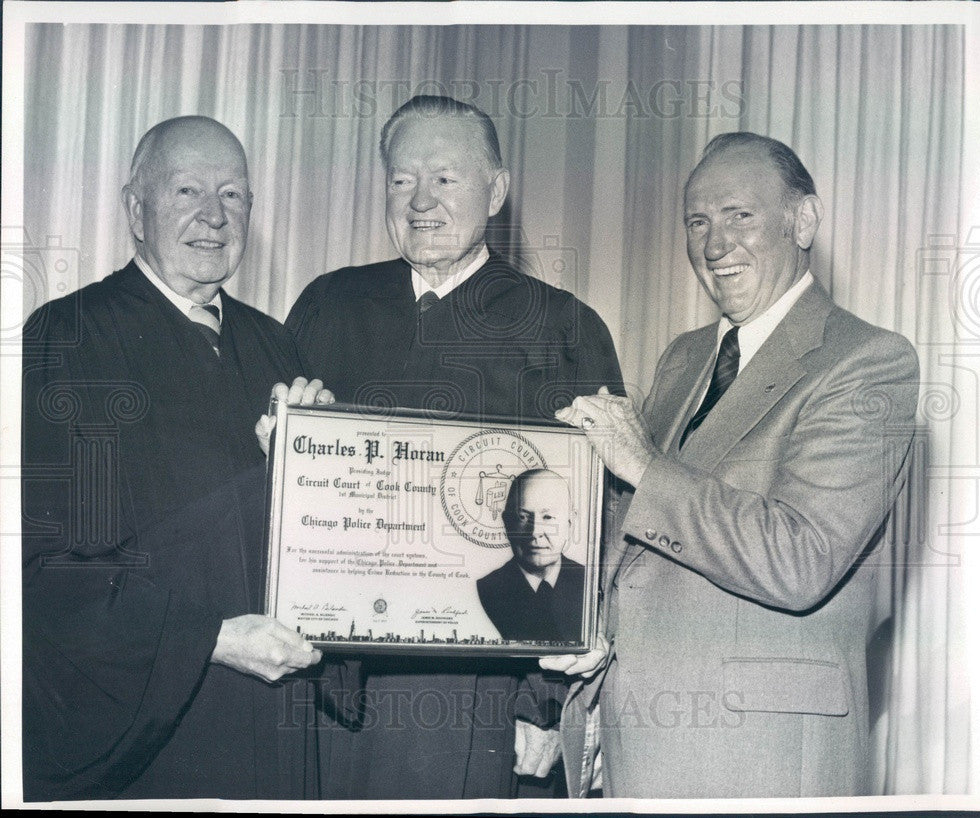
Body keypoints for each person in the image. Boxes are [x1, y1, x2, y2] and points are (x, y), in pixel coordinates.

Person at [548, 132, 920, 798]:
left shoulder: (867, 361)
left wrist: (641, 463)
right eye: (698, 222)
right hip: (635, 745)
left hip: (762, 758)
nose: (715, 243)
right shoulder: (685, 358)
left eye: (739, 216)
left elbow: (801, 558)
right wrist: (586, 628)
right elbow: (640, 547)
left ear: (802, 221)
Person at [286, 95, 624, 799]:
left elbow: (601, 527)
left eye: (445, 178)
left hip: (483, 692)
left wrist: (545, 704)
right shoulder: (328, 306)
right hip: (325, 682)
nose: (421, 201)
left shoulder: (562, 327)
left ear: (495, 191)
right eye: (402, 179)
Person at [21, 116, 332, 800]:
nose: (214, 217)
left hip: (278, 713)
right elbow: (46, 570)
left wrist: (316, 463)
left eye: (234, 195)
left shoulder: (276, 347)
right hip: (156, 727)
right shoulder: (70, 338)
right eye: (187, 190)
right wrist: (210, 640)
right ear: (136, 209)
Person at [478, 469, 586, 644]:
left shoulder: (588, 582)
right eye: (523, 517)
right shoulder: (489, 587)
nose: (535, 532)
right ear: (507, 523)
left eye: (548, 517)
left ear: (570, 522)